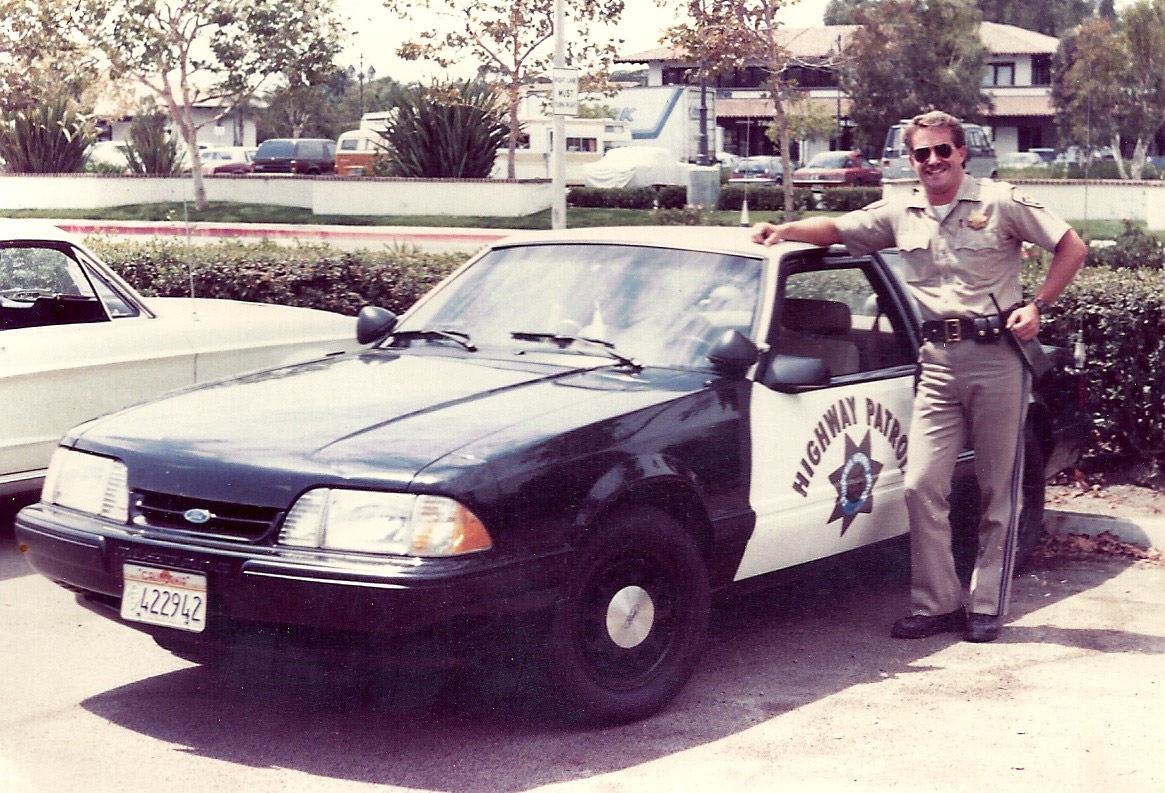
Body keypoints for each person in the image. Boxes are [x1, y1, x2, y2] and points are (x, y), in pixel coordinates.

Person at [752, 111, 1086, 642]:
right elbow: (837, 228)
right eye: (921, 153)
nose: (932, 161)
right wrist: (785, 229)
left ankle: (985, 606)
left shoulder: (1000, 201)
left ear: (961, 154)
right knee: (921, 484)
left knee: (998, 489)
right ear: (911, 160)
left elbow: (1072, 245)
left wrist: (1039, 304)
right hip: (936, 362)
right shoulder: (900, 211)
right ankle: (937, 604)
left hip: (997, 356)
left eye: (942, 151)